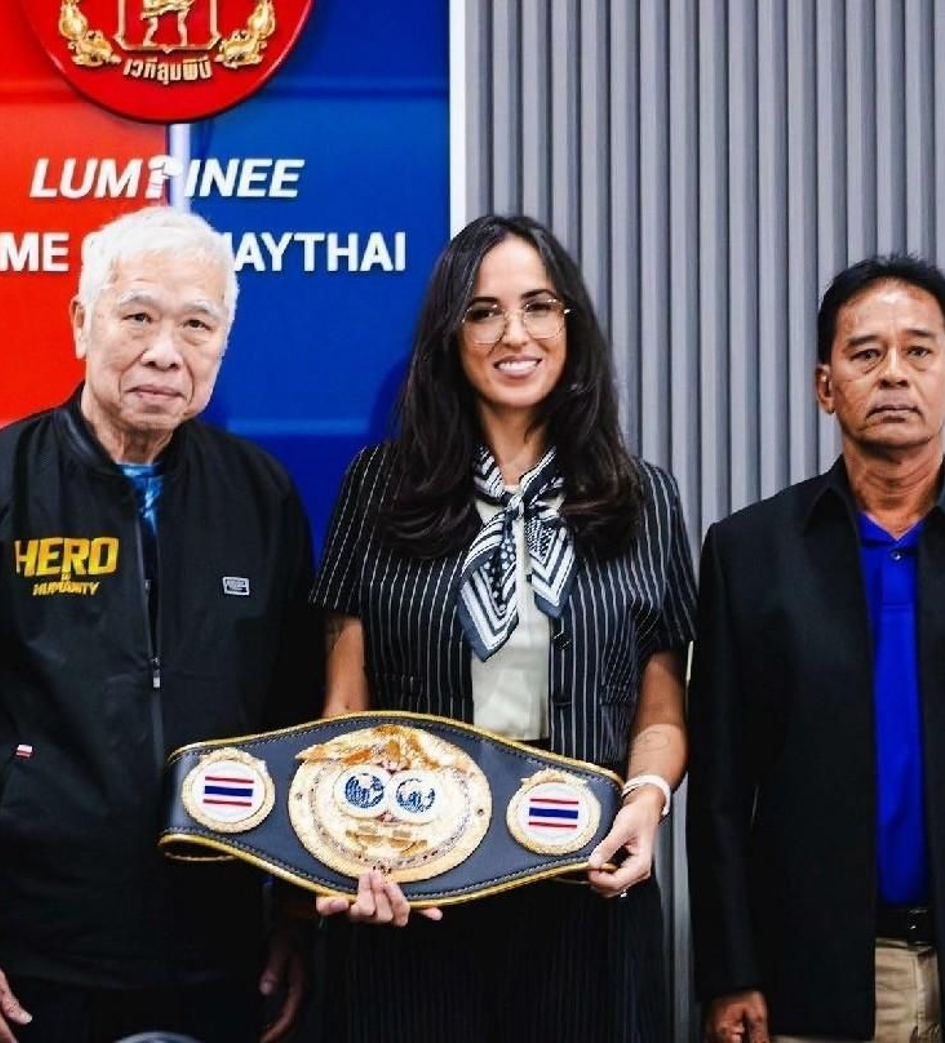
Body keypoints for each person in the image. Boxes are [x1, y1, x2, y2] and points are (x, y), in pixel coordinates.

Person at [0, 205, 322, 1043]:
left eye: (197, 325)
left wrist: (296, 911)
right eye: (139, 315)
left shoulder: (262, 497)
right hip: (23, 960)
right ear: (82, 321)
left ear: (223, 344)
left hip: (220, 954)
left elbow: (297, 722)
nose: (165, 351)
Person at [307, 214, 696, 1041]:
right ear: (450, 335)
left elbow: (660, 706)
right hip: (414, 893)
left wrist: (648, 800)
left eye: (538, 306)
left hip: (587, 886)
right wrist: (354, 847)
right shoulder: (379, 486)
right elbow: (347, 699)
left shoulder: (642, 495)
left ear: (571, 325)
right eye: (483, 311)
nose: (513, 333)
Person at [688, 255, 945, 1042]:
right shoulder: (750, 553)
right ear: (825, 385)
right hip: (815, 981)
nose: (894, 374)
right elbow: (722, 794)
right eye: (866, 353)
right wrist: (731, 971)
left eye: (919, 351)